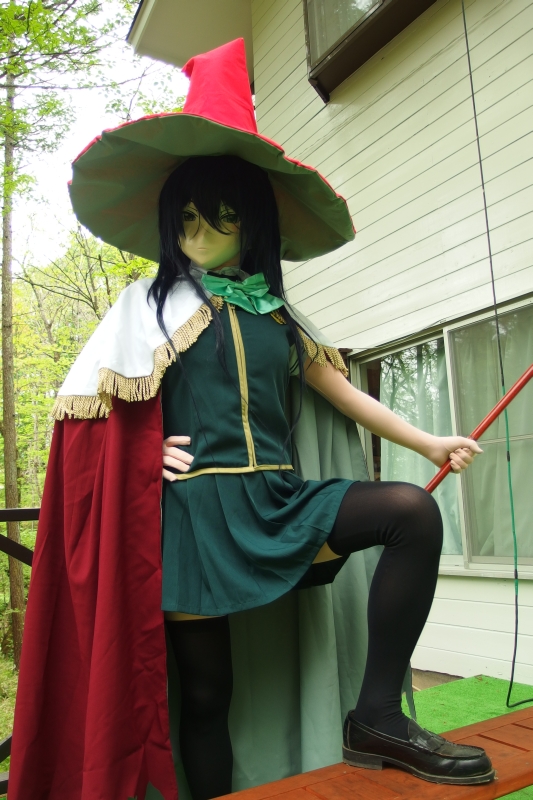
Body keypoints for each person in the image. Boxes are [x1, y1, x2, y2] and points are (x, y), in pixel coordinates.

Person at [9, 39, 493, 800]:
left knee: (410, 512)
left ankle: (375, 717)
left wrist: (429, 440)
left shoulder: (277, 314)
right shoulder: (143, 309)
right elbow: (86, 427)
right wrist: (138, 456)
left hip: (278, 502)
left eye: (221, 217)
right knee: (208, 694)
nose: (199, 234)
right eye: (187, 218)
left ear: (253, 224)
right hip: (194, 520)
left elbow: (342, 392)